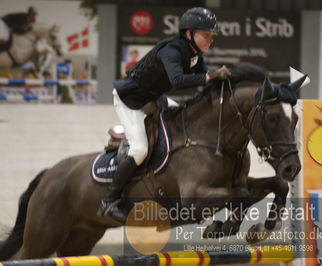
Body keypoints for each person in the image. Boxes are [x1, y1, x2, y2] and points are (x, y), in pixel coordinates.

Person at [97, 7, 231, 222]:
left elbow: (205, 80)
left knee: (184, 115)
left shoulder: (195, 55)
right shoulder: (172, 51)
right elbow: (178, 81)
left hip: (153, 98)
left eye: (211, 36)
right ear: (189, 34)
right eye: (206, 35)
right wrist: (210, 76)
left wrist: (222, 82)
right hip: (130, 100)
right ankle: (109, 201)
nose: (210, 40)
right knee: (140, 150)